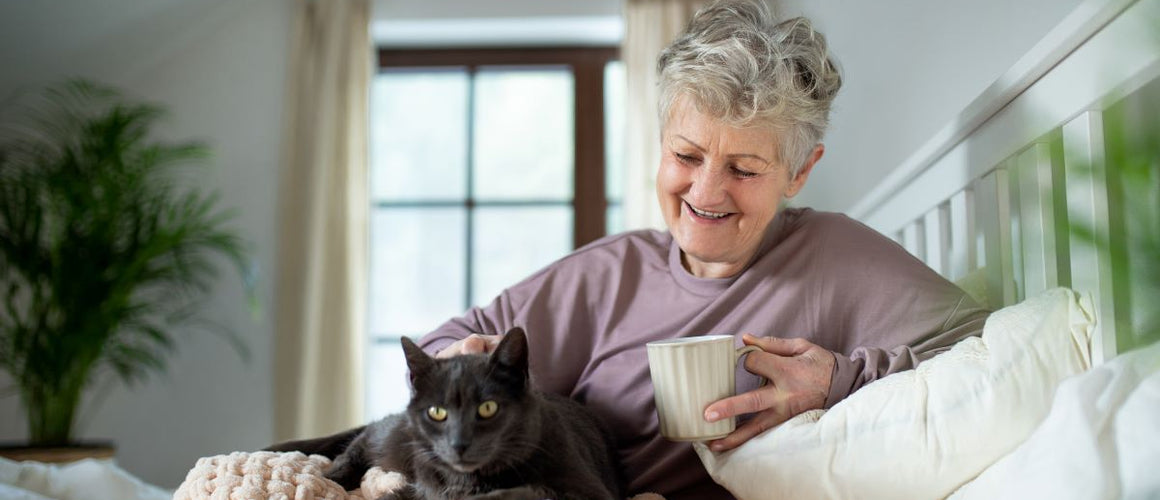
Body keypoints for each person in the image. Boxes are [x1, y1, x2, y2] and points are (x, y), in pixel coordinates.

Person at [420, 1, 989, 498]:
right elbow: (440, 347)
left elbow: (991, 348)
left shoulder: (837, 258)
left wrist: (841, 377)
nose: (706, 191)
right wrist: (463, 360)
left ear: (798, 172)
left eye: (743, 168)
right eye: (687, 156)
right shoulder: (610, 272)